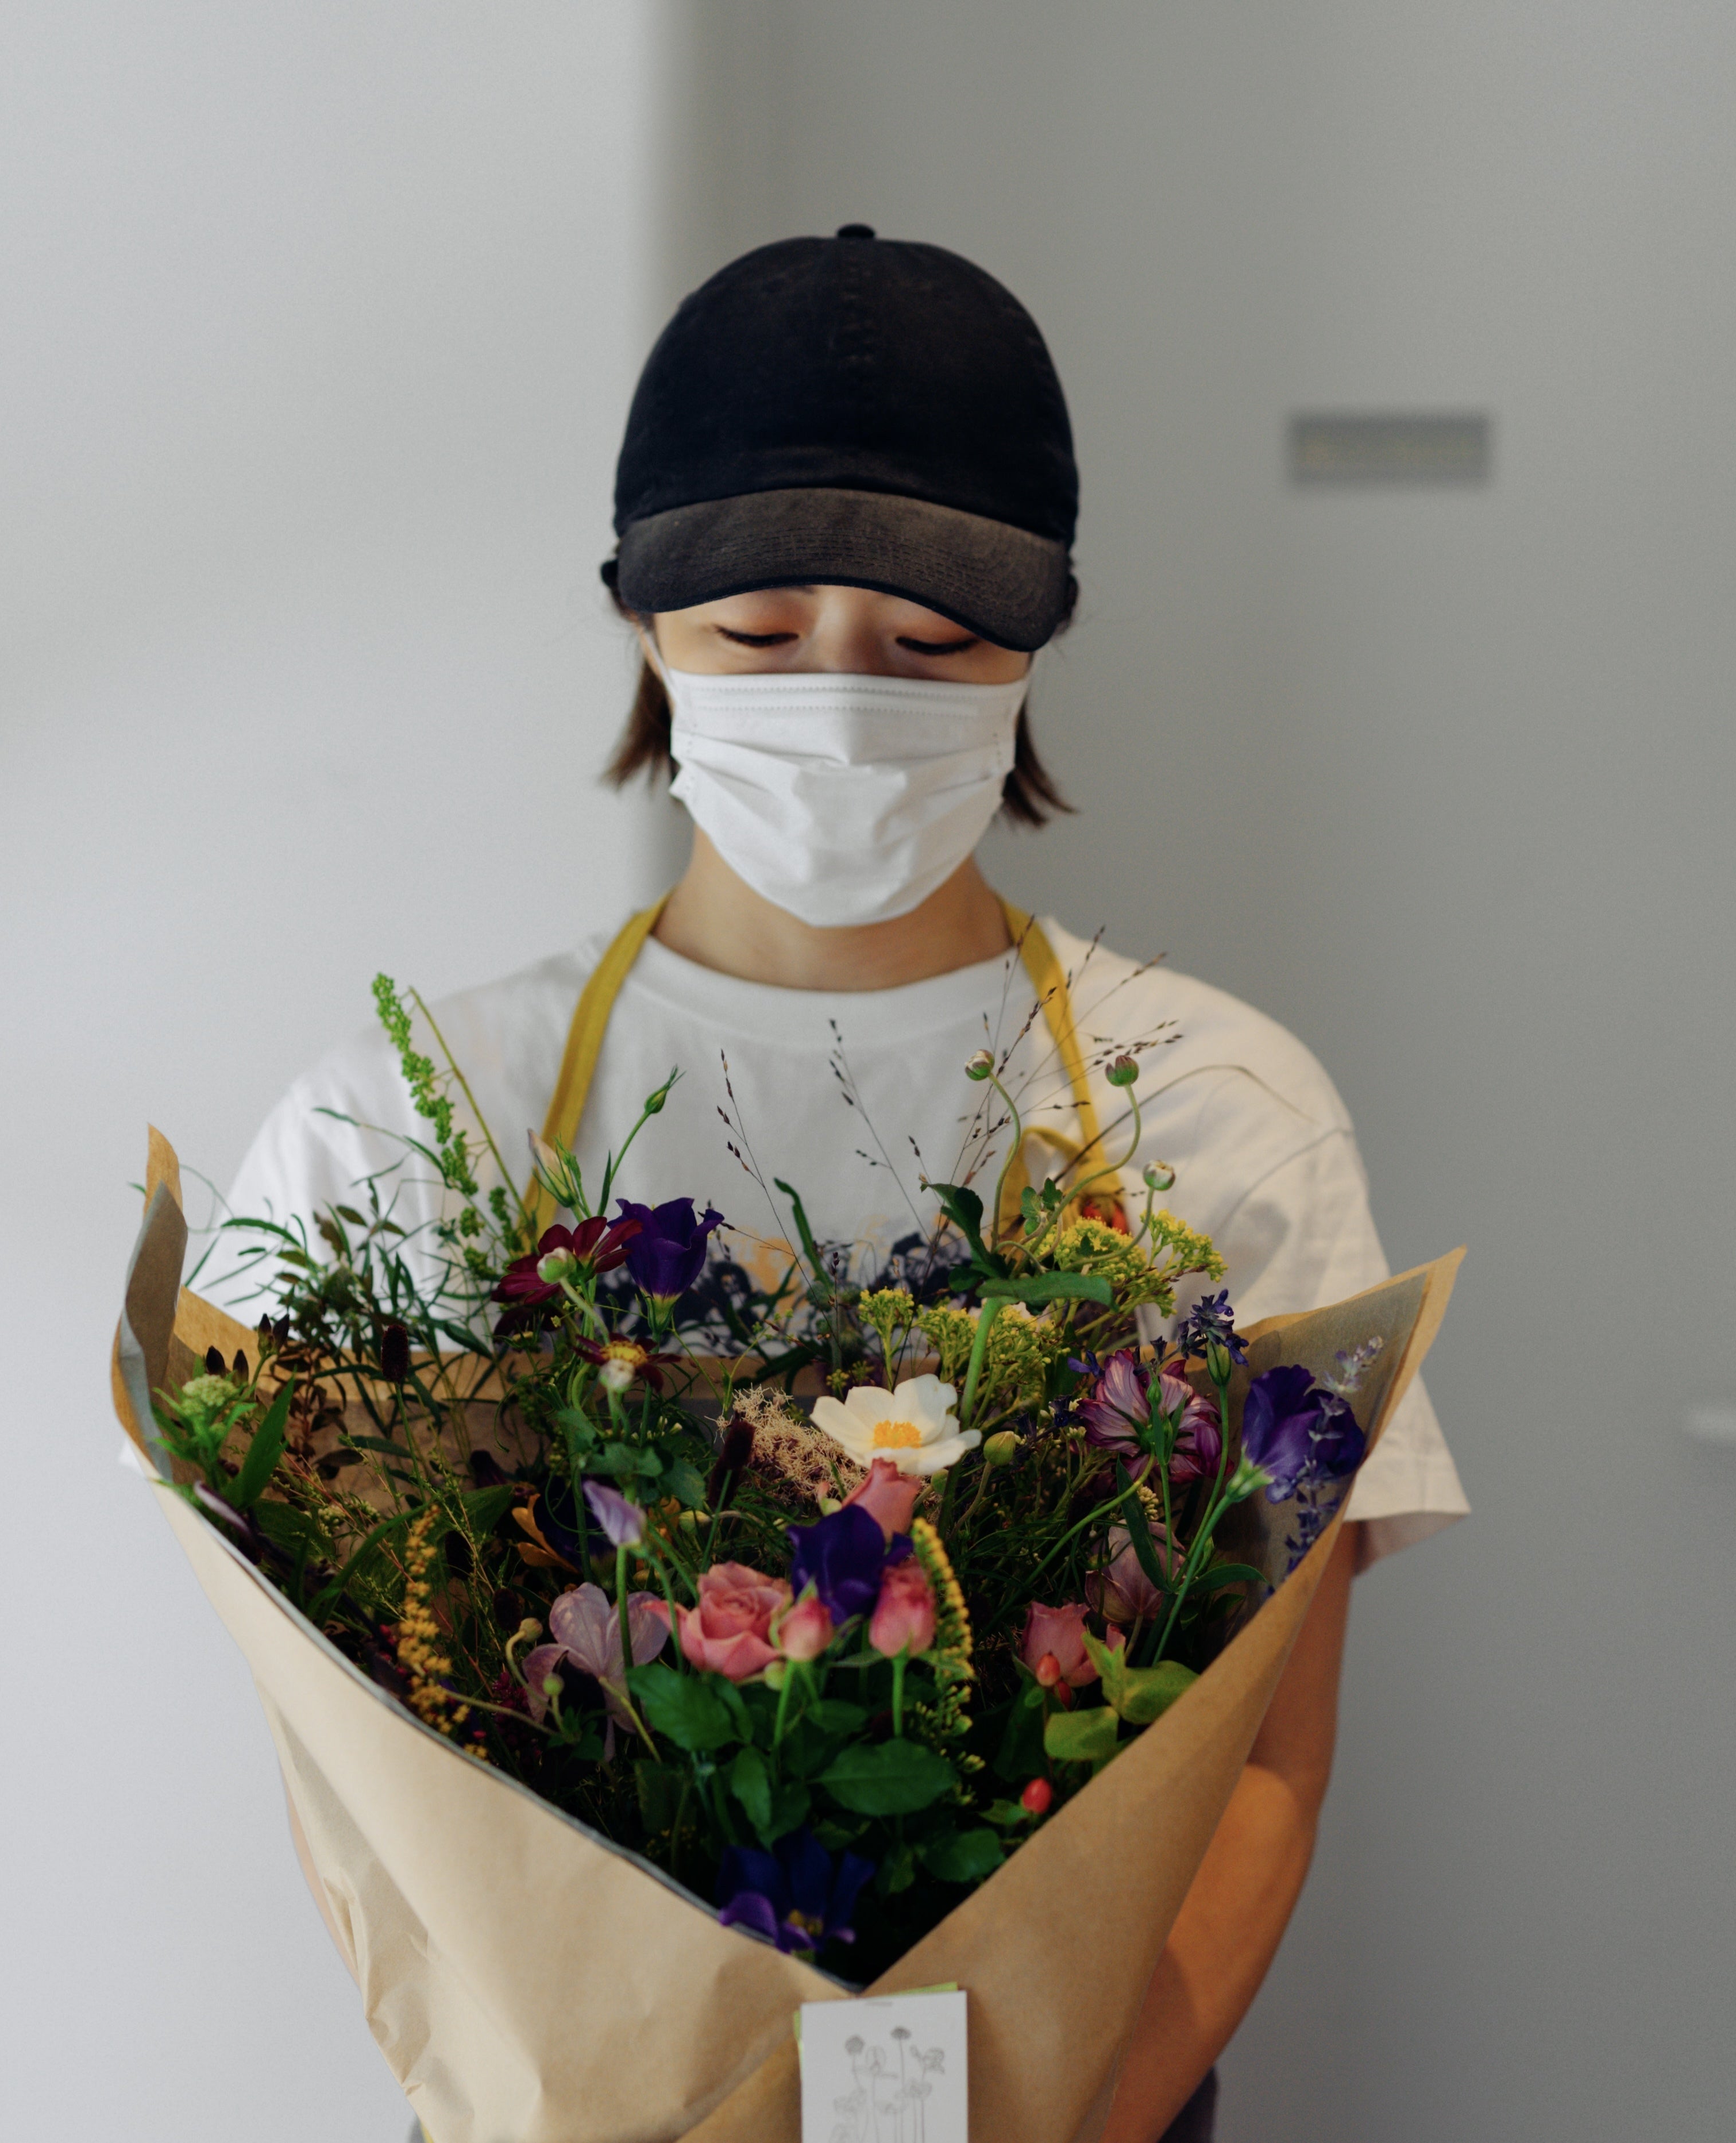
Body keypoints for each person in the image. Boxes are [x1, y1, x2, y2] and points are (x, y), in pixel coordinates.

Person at [229, 225, 1467, 2143]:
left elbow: (1257, 1765)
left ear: (1036, 642)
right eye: (758, 634)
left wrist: (1048, 2118)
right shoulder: (410, 1122)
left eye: (928, 644)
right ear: (641, 622)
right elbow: (362, 1786)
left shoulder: (1221, 1108)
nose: (839, 695)